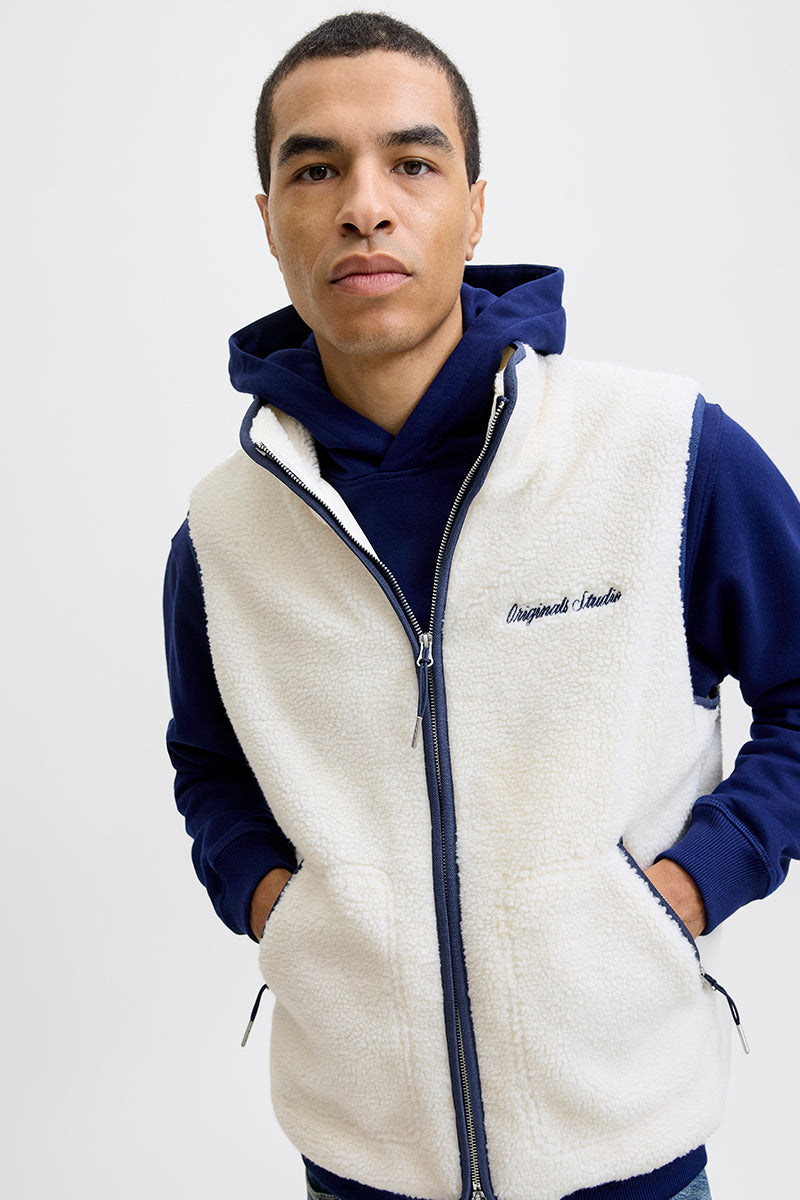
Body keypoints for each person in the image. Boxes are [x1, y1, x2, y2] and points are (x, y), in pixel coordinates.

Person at [163, 12, 800, 1200]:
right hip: (358, 1162)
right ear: (268, 218)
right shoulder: (223, 536)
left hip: (629, 1156)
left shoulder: (660, 454)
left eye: (411, 163)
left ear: (473, 207)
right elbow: (209, 765)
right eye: (315, 169)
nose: (364, 206)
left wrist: (690, 885)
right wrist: (273, 904)